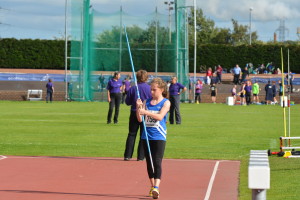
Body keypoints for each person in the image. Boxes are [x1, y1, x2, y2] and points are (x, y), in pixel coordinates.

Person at [136, 77, 170, 199]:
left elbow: (160, 117)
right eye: (151, 90)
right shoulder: (146, 101)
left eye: (154, 90)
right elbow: (140, 119)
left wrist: (146, 112)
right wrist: (138, 108)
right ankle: (152, 187)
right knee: (149, 163)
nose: (151, 92)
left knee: (157, 161)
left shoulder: (166, 102)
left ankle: (157, 187)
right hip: (146, 136)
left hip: (159, 136)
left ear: (161, 89)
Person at [124, 70, 151, 161]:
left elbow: (127, 102)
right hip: (145, 113)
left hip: (134, 112)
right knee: (143, 135)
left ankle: (128, 155)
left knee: (132, 134)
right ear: (146, 78)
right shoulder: (149, 89)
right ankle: (141, 156)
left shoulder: (133, 88)